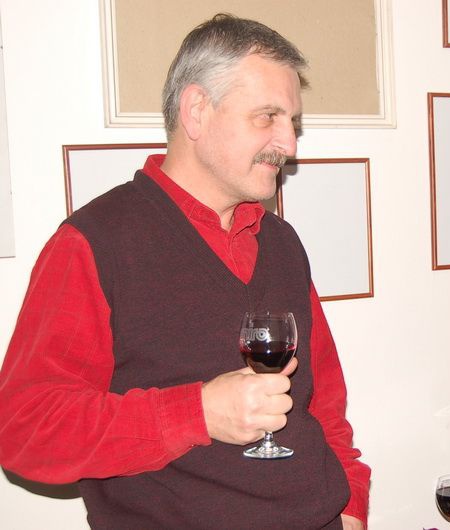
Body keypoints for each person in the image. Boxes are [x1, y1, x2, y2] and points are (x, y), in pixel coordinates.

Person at [0, 14, 369, 530]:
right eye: (267, 117)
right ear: (196, 111)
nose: (289, 144)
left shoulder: (281, 241)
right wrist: (199, 413)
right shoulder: (94, 243)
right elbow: (26, 431)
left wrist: (352, 505)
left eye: (293, 122)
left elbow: (324, 398)